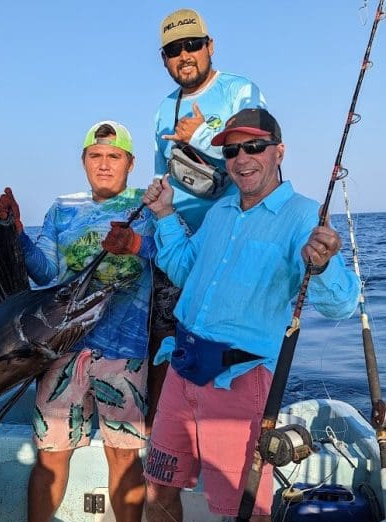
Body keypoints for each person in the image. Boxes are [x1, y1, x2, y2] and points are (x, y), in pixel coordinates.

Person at [142, 108, 360, 522]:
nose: (242, 158)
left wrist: (324, 264)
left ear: (279, 151)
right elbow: (185, 269)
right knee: (158, 490)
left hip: (239, 381)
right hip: (181, 371)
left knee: (249, 518)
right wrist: (165, 214)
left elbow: (341, 305)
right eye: (232, 150)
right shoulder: (221, 210)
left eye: (255, 146)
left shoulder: (303, 216)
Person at [0, 121, 155, 522]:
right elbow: (44, 271)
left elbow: (172, 257)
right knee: (50, 455)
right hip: (62, 352)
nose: (104, 165)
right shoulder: (63, 208)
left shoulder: (150, 205)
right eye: (95, 156)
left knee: (124, 456)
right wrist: (18, 234)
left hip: (126, 353)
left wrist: (137, 243)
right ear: (83, 161)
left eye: (114, 156)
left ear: (130, 164)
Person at [148, 8, 268, 425]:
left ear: (210, 46)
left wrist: (198, 136)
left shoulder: (240, 91)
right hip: (179, 243)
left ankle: (231, 436)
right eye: (173, 50)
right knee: (170, 344)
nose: (185, 55)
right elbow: (162, 173)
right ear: (164, 59)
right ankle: (168, 431)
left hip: (233, 241)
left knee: (232, 353)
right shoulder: (164, 108)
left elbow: (259, 152)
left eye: (192, 45)